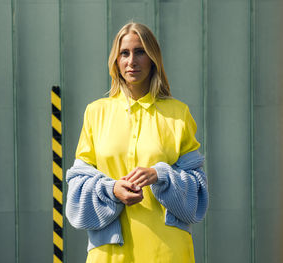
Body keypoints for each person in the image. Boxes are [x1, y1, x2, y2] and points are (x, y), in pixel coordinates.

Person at [65, 22, 208, 263]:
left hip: (167, 252)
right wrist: (111, 190)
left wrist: (160, 174)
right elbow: (78, 187)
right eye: (125, 53)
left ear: (153, 59)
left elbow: (197, 191)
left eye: (140, 52)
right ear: (116, 61)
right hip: (108, 254)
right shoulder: (95, 112)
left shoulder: (178, 113)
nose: (132, 61)